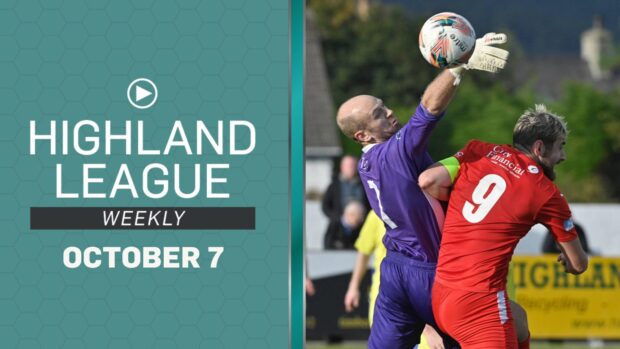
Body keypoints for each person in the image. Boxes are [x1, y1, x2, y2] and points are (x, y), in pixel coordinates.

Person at [336, 32, 510, 349]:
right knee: (483, 337)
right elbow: (429, 107)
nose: (388, 112)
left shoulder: (366, 165)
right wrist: (459, 66)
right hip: (432, 271)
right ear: (362, 135)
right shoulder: (395, 153)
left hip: (395, 272)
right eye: (378, 114)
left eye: (383, 106)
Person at [419, 104, 589, 348]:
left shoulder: (477, 150)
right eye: (560, 147)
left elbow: (429, 180)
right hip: (480, 302)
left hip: (443, 293)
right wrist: (569, 260)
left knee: (519, 324)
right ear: (539, 148)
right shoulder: (545, 191)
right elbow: (578, 264)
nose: (563, 156)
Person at [344, 211, 439, 348]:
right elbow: (364, 250)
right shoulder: (377, 212)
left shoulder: (428, 209)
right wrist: (353, 287)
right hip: (388, 300)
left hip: (422, 298)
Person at [322, 155, 369, 226]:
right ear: (342, 167)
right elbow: (325, 206)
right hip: (339, 229)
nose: (350, 168)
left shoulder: (365, 184)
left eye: (353, 165)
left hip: (362, 226)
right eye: (348, 165)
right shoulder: (334, 185)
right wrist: (340, 219)